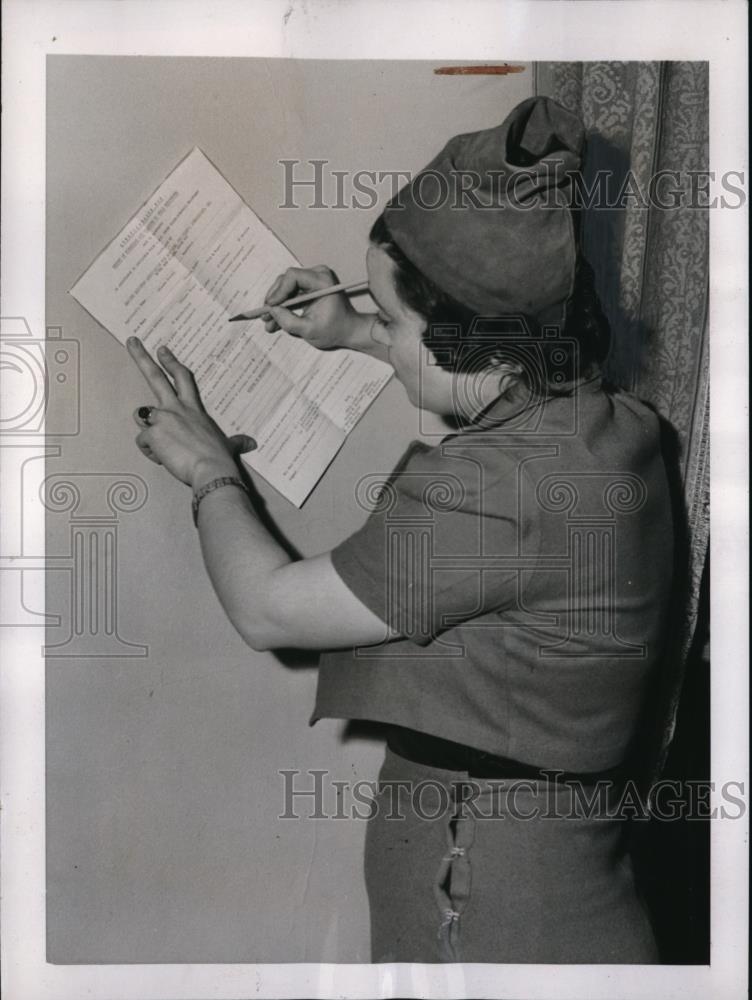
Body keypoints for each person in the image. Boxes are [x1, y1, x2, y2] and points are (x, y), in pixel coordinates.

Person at [126, 96, 674, 963]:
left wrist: (207, 468)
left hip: (487, 913)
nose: (372, 317)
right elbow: (490, 372)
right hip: (555, 892)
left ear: (471, 341)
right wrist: (361, 334)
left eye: (392, 313)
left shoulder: (491, 492)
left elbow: (270, 610)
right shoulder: (615, 426)